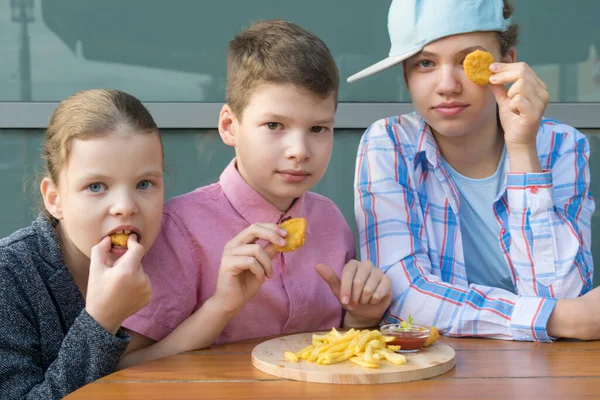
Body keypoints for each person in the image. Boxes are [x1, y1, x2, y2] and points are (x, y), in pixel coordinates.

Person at [118, 20, 392, 369]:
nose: (299, 150)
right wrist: (221, 306)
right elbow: (126, 367)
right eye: (275, 125)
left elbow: (339, 352)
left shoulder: (331, 223)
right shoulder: (178, 229)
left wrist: (361, 318)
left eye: (318, 128)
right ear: (230, 127)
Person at [349, 0, 598, 342]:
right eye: (425, 63)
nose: (447, 85)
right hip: (433, 367)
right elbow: (402, 296)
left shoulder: (561, 146)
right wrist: (554, 320)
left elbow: (559, 292)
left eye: (468, 61)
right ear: (406, 75)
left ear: (507, 64)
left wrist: (523, 148)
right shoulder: (390, 144)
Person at [0, 89, 164, 398]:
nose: (125, 206)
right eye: (96, 186)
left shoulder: (172, 253)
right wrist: (102, 321)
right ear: (55, 198)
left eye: (145, 184)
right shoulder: (9, 276)